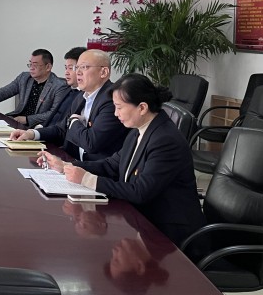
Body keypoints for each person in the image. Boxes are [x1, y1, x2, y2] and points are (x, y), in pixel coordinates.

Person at [39, 73, 205, 247]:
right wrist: (66, 166)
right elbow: (111, 165)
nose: (115, 114)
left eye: (119, 107)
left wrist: (86, 179)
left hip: (170, 233)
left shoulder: (165, 140)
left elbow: (140, 192)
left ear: (142, 108)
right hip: (143, 219)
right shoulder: (138, 130)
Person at [12, 49, 127, 161]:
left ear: (103, 72)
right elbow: (61, 129)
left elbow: (91, 143)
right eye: (77, 68)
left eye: (84, 67)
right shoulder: (81, 96)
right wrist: (31, 133)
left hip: (94, 167)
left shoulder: (112, 99)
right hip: (71, 159)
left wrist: (74, 121)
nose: (78, 72)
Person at [0, 48, 68, 127]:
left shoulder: (59, 86)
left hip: (38, 127)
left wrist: (27, 119)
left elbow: (54, 113)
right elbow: (5, 92)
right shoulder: (24, 78)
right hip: (17, 121)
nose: (31, 68)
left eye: (35, 65)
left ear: (48, 67)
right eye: (30, 64)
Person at [39, 46, 86, 128]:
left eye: (70, 68)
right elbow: (53, 116)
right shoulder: (65, 89)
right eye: (66, 68)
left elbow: (65, 126)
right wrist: (39, 128)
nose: (66, 72)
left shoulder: (86, 96)